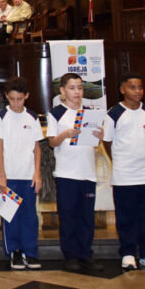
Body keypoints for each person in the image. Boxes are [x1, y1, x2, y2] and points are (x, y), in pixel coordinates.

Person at [102, 73, 145, 272]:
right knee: (126, 215)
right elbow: (107, 141)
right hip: (124, 174)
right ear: (122, 90)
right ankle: (128, 253)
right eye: (132, 87)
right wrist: (120, 161)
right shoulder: (114, 114)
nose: (137, 91)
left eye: (140, 87)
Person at [47, 73, 104, 273]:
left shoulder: (90, 113)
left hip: (87, 173)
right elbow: (52, 142)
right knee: (68, 215)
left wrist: (100, 136)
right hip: (66, 173)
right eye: (72, 88)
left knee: (86, 217)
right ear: (62, 91)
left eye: (80, 88)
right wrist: (65, 134)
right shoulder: (56, 113)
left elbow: (96, 143)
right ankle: (70, 255)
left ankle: (86, 254)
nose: (77, 92)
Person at [0, 77, 43, 270]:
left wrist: (37, 174)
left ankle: (31, 251)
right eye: (12, 99)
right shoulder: (1, 117)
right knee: (10, 215)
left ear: (26, 96)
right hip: (9, 175)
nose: (16, 103)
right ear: (6, 97)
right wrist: (2, 175)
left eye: (19, 99)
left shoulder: (33, 117)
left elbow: (37, 148)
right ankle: (15, 251)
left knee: (30, 215)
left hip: (28, 175)